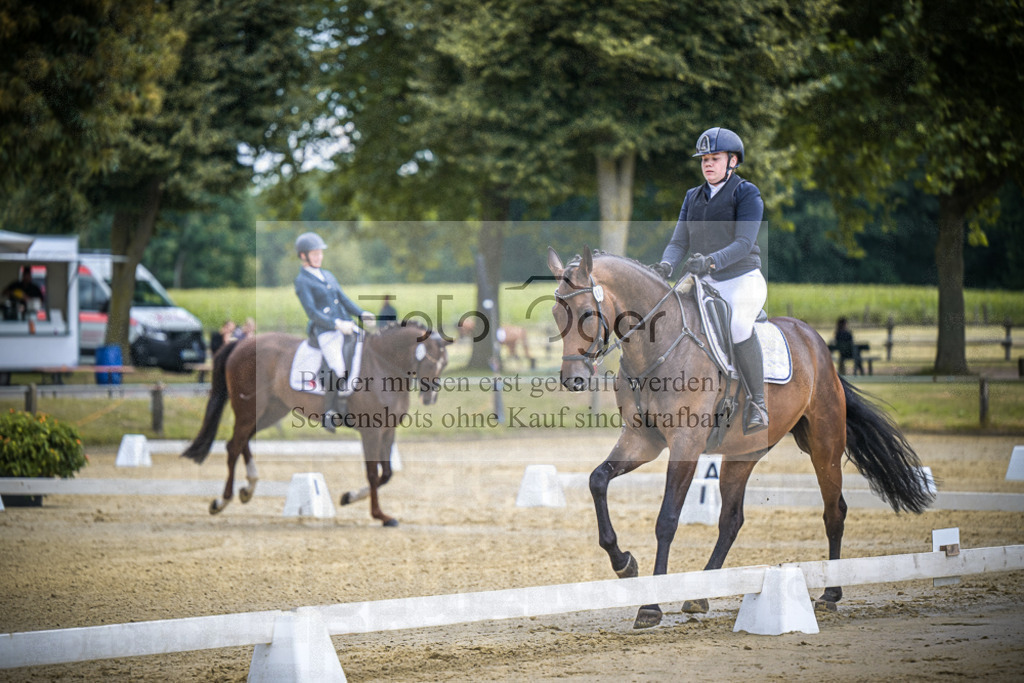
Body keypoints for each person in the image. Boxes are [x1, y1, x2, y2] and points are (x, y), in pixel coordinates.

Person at [652, 127, 769, 434]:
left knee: (739, 326)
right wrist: (666, 265)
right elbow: (679, 242)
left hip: (741, 278)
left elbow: (744, 243)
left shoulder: (747, 193)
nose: (707, 163)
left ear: (733, 161)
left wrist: (711, 260)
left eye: (714, 158)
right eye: (704, 158)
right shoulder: (693, 196)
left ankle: (758, 403)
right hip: (704, 280)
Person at [293, 232, 374, 432]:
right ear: (303, 256)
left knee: (369, 352)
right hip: (326, 331)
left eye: (320, 252)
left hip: (347, 324)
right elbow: (312, 312)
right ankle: (330, 412)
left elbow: (343, 299)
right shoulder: (302, 281)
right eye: (315, 253)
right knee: (338, 368)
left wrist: (361, 313)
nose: (319, 256)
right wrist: (335, 324)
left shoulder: (327, 274)